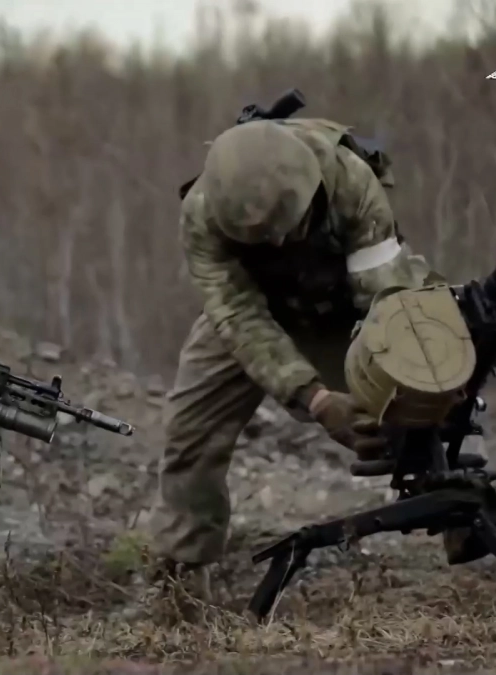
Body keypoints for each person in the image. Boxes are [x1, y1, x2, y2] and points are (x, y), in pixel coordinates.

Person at [147, 116, 444, 603]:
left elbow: (386, 300)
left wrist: (392, 388)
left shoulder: (350, 181)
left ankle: (465, 523)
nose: (280, 245)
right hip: (255, 306)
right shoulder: (201, 213)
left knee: (424, 378)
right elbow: (239, 317)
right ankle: (179, 580)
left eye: (289, 230)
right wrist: (316, 398)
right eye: (262, 239)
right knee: (190, 431)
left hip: (345, 301)